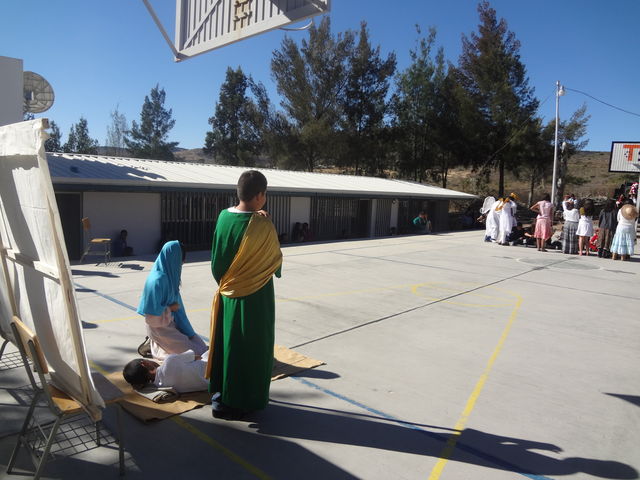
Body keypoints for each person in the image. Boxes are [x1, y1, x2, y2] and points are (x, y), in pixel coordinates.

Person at [208, 170, 283, 420]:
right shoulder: (262, 224)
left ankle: (224, 395)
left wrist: (228, 283)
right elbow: (275, 262)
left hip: (227, 293)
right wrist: (264, 224)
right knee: (253, 348)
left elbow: (216, 262)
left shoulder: (222, 217)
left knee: (228, 346)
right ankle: (246, 399)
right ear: (260, 196)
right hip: (256, 298)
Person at [137, 241, 207, 360]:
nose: (182, 263)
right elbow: (151, 318)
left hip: (170, 322)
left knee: (201, 347)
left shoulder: (169, 276)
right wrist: (170, 309)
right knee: (195, 354)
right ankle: (154, 343)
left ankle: (156, 344)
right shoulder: (156, 281)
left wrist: (189, 332)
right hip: (159, 327)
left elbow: (179, 310)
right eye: (181, 259)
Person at [123, 349, 209, 393]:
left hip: (211, 384)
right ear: (145, 363)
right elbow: (198, 357)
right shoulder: (170, 361)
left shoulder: (162, 386)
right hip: (215, 367)